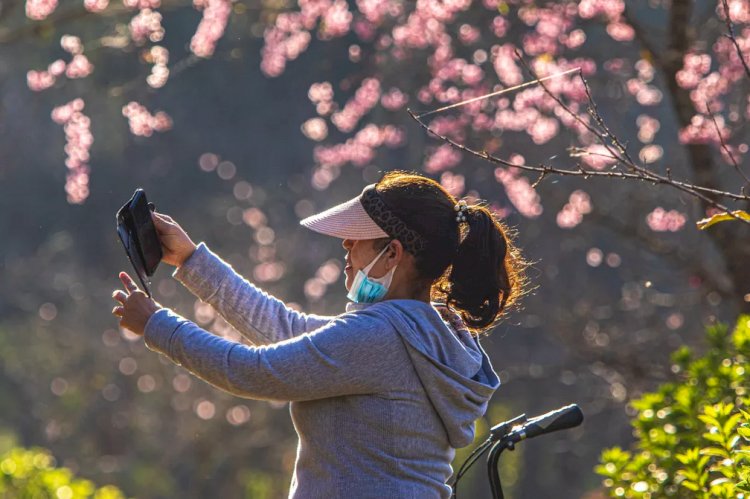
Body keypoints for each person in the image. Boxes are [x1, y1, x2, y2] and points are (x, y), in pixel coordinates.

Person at [111, 171, 526, 498]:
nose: (345, 244)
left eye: (356, 238)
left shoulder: (379, 336)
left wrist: (158, 326)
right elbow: (285, 329)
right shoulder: (427, 333)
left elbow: (254, 371)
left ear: (393, 253)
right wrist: (192, 259)